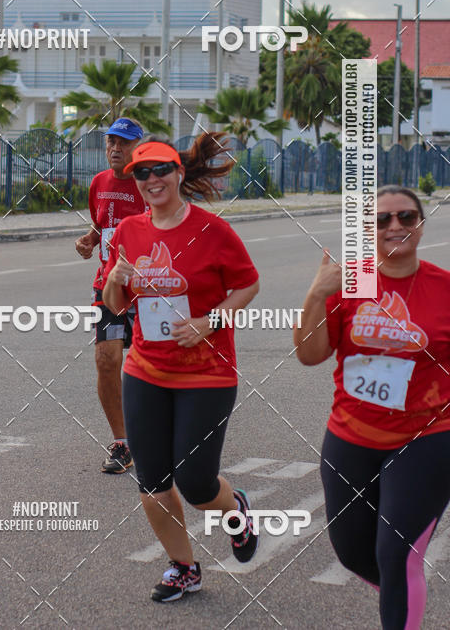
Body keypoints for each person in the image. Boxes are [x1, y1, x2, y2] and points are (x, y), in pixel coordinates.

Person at [103, 134, 261, 603]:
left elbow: (248, 284)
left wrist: (210, 321)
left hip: (206, 375)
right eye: (141, 173)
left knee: (195, 484)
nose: (151, 180)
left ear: (178, 173)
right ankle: (183, 568)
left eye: (160, 170)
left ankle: (237, 509)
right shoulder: (130, 232)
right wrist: (114, 281)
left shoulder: (213, 230)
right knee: (153, 484)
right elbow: (116, 307)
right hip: (146, 371)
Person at [295, 185, 450, 630]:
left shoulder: (443, 287)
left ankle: (403, 594)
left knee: (396, 556)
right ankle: (402, 593)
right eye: (381, 220)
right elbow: (309, 354)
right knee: (352, 553)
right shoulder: (346, 284)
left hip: (427, 440)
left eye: (406, 217)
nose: (395, 226)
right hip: (350, 436)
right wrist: (315, 294)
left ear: (420, 224)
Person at [75, 118, 146, 473]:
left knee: (153, 368)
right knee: (106, 360)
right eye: (111, 142)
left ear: (137, 147)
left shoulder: (149, 183)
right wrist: (89, 240)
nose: (115, 149)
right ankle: (123, 443)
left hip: (149, 294)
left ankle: (167, 430)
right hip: (108, 288)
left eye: (124, 143)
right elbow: (101, 225)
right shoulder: (98, 183)